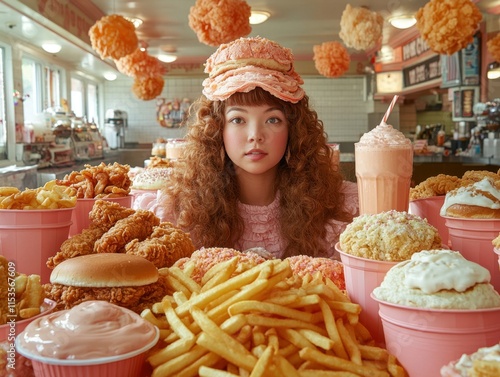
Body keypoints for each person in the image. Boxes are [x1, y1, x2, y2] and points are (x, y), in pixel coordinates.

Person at [150, 36, 358, 259]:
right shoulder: (178, 211)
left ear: (293, 130)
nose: (255, 136)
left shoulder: (340, 207)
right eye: (238, 120)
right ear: (216, 130)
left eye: (273, 120)